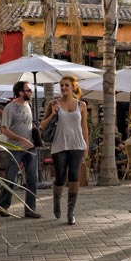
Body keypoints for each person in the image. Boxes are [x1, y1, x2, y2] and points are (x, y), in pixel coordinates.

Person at [40, 75, 88, 225]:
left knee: (74, 177)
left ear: (73, 87)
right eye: (61, 85)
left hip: (77, 145)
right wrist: (53, 113)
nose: (63, 88)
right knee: (60, 177)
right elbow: (42, 125)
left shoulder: (82, 105)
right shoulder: (54, 103)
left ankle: (70, 212)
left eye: (66, 85)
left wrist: (86, 146)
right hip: (59, 145)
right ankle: (56, 201)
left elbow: (84, 127)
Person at [0, 80, 40, 219]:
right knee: (11, 177)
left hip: (31, 148)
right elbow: (4, 130)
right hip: (15, 148)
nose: (31, 92)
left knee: (33, 178)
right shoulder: (9, 108)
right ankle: (3, 206)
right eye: (28, 90)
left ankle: (30, 209)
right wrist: (21, 139)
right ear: (20, 92)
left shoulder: (29, 105)